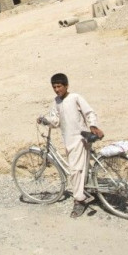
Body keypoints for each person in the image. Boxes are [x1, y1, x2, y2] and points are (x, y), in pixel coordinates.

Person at [38, 73, 104, 218]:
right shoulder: (56, 101)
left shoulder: (75, 97)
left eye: (59, 86)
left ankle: (79, 200)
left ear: (66, 86)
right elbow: (55, 120)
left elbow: (89, 112)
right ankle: (92, 190)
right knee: (82, 168)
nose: (57, 89)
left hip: (80, 138)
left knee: (74, 170)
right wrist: (45, 120)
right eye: (54, 87)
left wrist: (93, 125)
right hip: (68, 140)